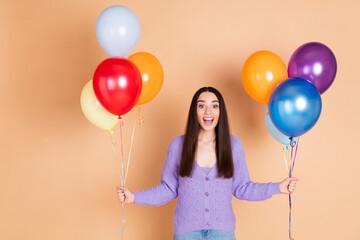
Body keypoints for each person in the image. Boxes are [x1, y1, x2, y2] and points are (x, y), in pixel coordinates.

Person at [116, 87, 298, 240]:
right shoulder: (178, 145)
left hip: (222, 234)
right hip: (186, 233)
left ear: (220, 112)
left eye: (214, 106)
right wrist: (134, 197)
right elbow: (168, 189)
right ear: (194, 111)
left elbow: (243, 188)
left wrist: (277, 187)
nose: (208, 112)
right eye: (201, 106)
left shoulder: (233, 145)